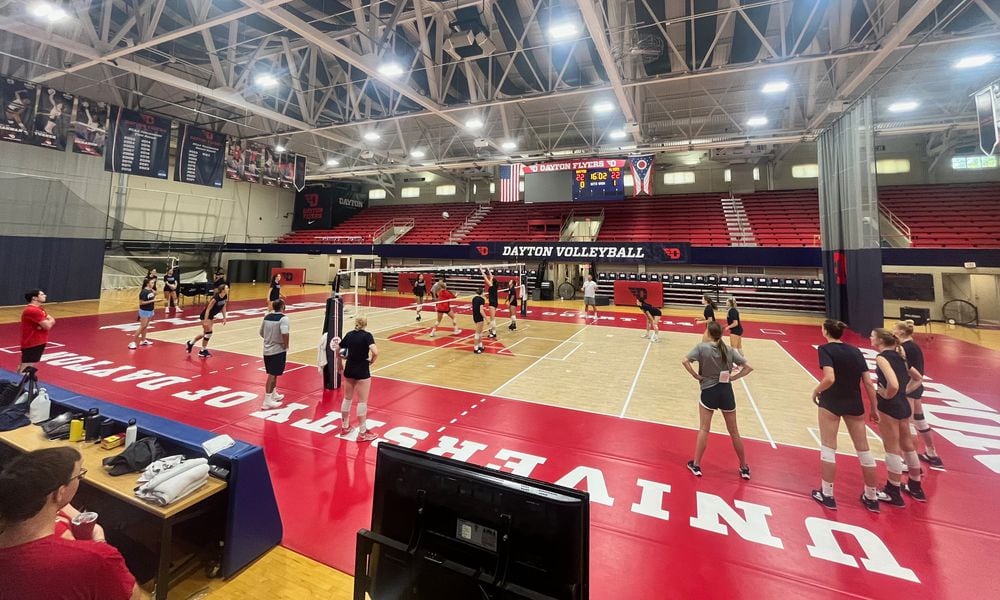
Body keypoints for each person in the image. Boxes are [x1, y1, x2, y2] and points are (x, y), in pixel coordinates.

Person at [0, 447, 145, 600]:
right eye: (79, 476)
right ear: (60, 492)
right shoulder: (96, 559)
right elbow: (132, 596)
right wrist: (100, 546)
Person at [810, 320, 881, 512]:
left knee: (828, 448)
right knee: (864, 450)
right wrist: (874, 408)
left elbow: (829, 378)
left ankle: (828, 494)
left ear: (825, 331)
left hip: (832, 401)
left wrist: (816, 391)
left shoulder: (825, 349)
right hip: (854, 402)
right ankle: (872, 496)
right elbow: (868, 382)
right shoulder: (856, 351)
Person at [682, 321, 754, 479]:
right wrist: (734, 377)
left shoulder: (702, 348)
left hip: (709, 391)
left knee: (704, 429)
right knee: (734, 431)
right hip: (726, 391)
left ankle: (697, 465)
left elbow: (684, 361)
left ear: (708, 332)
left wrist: (695, 376)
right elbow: (749, 367)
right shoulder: (728, 350)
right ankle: (743, 467)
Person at [870, 328, 926, 507]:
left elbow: (892, 383)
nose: (870, 338)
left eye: (872, 336)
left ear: (879, 340)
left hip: (890, 405)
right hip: (902, 404)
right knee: (907, 445)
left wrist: (887, 394)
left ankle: (893, 490)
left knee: (892, 447)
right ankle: (915, 486)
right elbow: (918, 378)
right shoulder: (901, 356)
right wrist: (904, 391)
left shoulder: (882, 357)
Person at [893, 320, 944, 470]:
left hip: (909, 387)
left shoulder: (904, 348)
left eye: (894, 329)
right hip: (916, 386)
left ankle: (911, 461)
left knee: (907, 424)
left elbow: (908, 370)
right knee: (920, 420)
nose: (892, 332)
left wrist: (904, 390)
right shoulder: (914, 346)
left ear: (901, 332)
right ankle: (931, 453)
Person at [338, 317, 379, 442]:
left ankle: (345, 427)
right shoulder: (367, 336)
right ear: (365, 324)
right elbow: (375, 352)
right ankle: (362, 433)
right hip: (362, 370)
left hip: (349, 369)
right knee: (362, 402)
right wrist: (371, 361)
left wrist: (340, 363)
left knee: (347, 398)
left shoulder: (349, 335)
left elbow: (338, 349)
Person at [259, 300, 289, 409]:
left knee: (274, 373)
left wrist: (269, 339)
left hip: (266, 350)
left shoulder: (267, 317)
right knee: (272, 375)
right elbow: (285, 333)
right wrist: (286, 346)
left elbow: (261, 333)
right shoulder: (284, 318)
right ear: (282, 307)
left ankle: (273, 394)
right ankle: (267, 400)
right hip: (277, 350)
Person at [18, 289, 55, 374]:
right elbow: (48, 325)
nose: (45, 296)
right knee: (26, 368)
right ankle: (21, 386)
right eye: (42, 294)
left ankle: (22, 385)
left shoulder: (40, 309)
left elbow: (52, 320)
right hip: (32, 342)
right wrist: (49, 322)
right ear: (34, 298)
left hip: (38, 342)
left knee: (29, 367)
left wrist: (49, 321)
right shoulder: (33, 310)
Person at [186, 285, 228, 358]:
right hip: (205, 316)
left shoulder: (225, 296)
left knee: (205, 333)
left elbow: (224, 307)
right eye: (227, 288)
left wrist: (224, 317)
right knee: (209, 333)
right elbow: (208, 309)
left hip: (211, 316)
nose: (228, 289)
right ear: (222, 290)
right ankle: (202, 351)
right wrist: (205, 320)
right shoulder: (215, 298)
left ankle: (190, 343)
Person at [128, 278, 156, 350]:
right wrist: (153, 300)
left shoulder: (150, 290)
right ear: (147, 283)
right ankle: (133, 342)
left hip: (150, 310)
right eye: (152, 283)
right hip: (144, 311)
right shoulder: (143, 292)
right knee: (142, 326)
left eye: (153, 283)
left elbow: (151, 297)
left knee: (146, 326)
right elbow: (141, 303)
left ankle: (143, 340)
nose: (153, 284)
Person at [481, 268, 499, 338]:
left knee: (492, 319)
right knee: (493, 318)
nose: (490, 279)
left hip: (492, 303)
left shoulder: (491, 286)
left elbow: (485, 277)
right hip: (495, 302)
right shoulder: (495, 286)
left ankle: (493, 333)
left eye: (491, 279)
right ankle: (493, 330)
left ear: (492, 282)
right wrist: (488, 269)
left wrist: (481, 269)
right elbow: (491, 276)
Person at [471, 287, 486, 354]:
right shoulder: (481, 300)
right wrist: (487, 319)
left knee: (480, 332)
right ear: (482, 293)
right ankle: (476, 348)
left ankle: (480, 345)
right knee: (477, 333)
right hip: (479, 318)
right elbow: (481, 311)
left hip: (475, 317)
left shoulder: (474, 299)